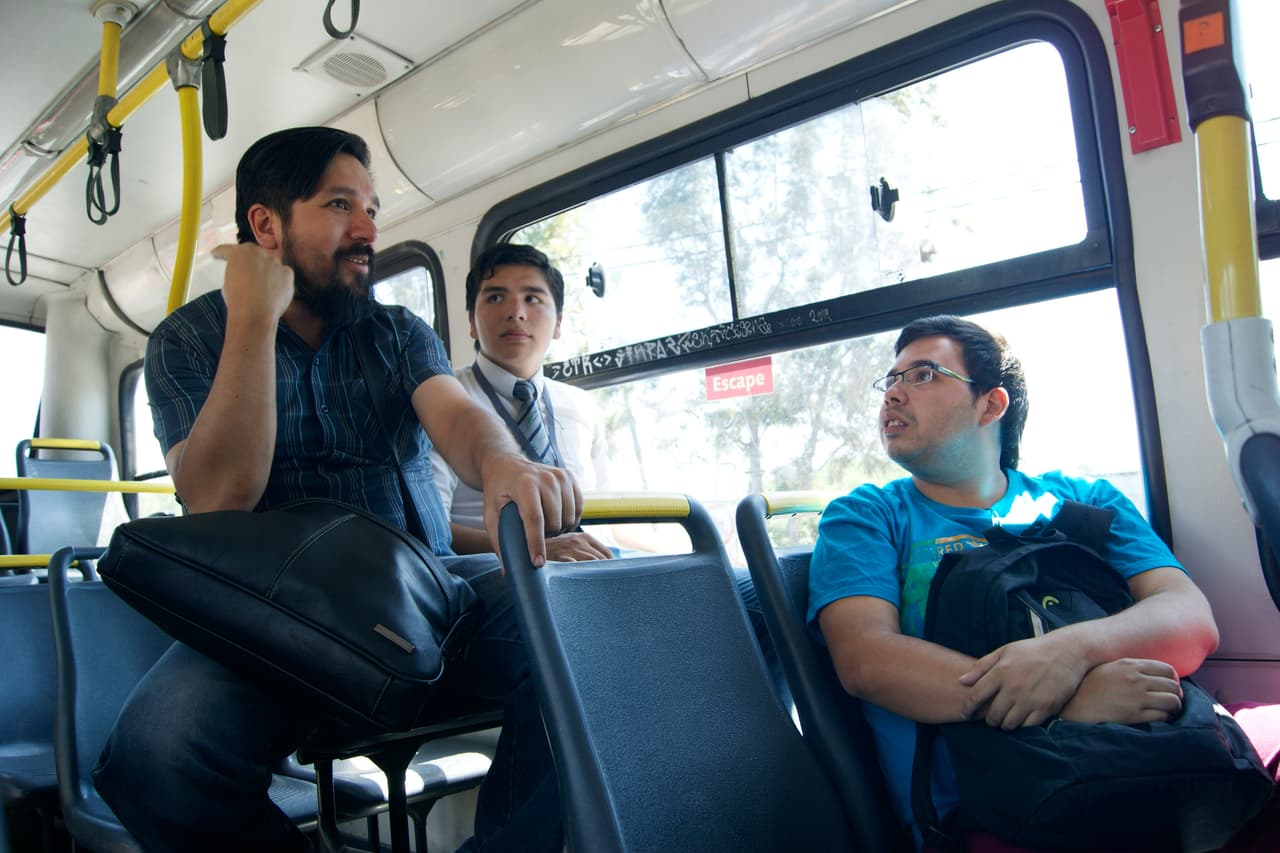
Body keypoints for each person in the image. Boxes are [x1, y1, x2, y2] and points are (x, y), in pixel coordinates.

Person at [93, 127, 576, 853]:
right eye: (340, 205)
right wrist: (253, 317)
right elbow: (221, 497)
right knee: (154, 756)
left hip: (427, 590)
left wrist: (504, 464)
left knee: (586, 631)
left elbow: (457, 417)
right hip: (270, 621)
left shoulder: (395, 332)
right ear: (267, 225)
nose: (367, 231)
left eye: (373, 209)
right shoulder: (187, 341)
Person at [807, 315, 1221, 847]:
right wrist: (1066, 702)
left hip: (1143, 765)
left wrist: (1069, 654)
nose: (893, 395)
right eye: (891, 380)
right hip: (989, 816)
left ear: (991, 404)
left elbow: (1189, 618)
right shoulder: (868, 517)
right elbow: (867, 660)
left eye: (923, 375)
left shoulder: (1083, 502)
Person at [429, 243, 613, 562]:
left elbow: (610, 516)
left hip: (595, 563)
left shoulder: (582, 406)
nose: (516, 313)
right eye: (496, 297)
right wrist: (529, 551)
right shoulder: (444, 400)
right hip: (496, 570)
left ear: (558, 324)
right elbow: (434, 529)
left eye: (532, 298)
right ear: (471, 321)